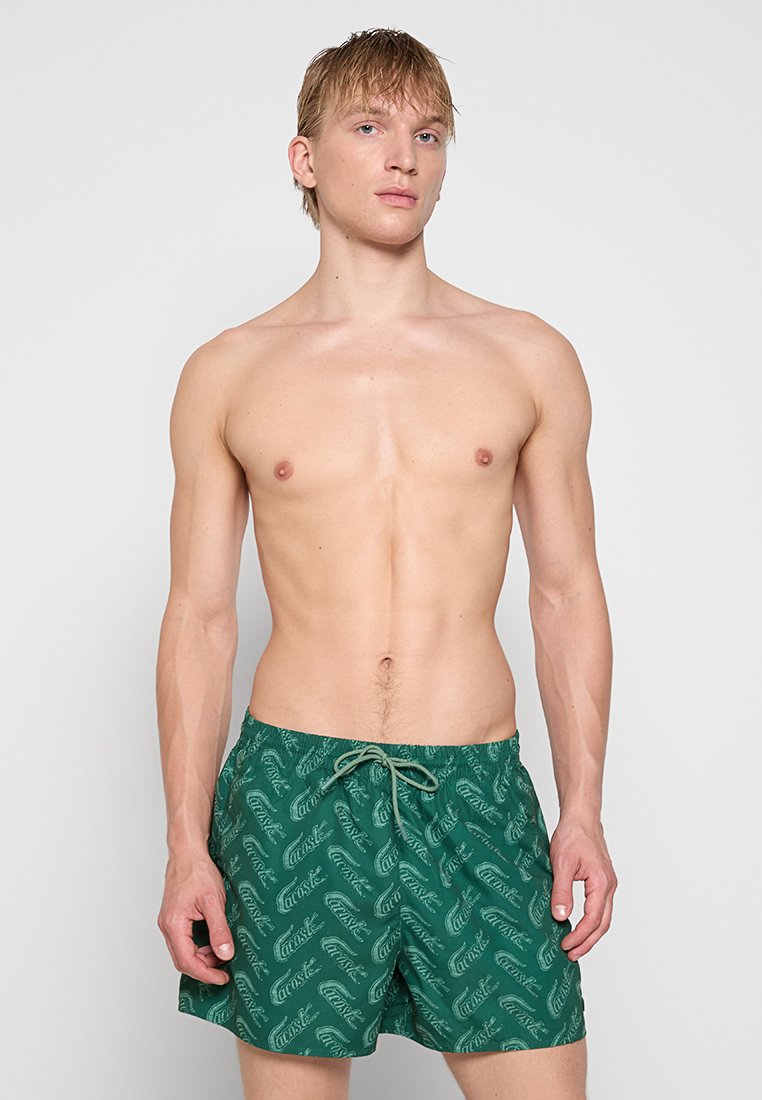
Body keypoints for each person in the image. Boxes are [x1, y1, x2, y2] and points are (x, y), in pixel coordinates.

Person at [156, 26, 617, 1100]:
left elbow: (565, 592)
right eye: (368, 127)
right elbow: (199, 616)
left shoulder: (527, 355)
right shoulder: (228, 371)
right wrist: (186, 839)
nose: (404, 155)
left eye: (429, 133)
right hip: (294, 793)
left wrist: (583, 804)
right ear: (305, 158)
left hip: (475, 787)